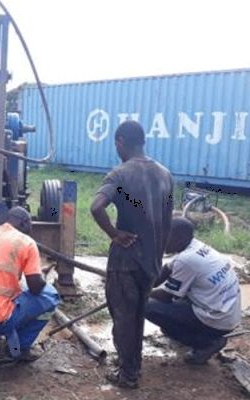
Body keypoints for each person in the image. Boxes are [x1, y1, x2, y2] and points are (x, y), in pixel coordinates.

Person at [90, 120, 174, 389]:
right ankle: (132, 368)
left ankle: (128, 375)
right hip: (150, 261)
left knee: (124, 319)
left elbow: (95, 207)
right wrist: (157, 258)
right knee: (138, 316)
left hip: (125, 261)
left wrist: (114, 234)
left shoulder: (119, 174)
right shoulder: (165, 174)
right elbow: (168, 222)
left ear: (120, 142)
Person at [0, 206, 60, 361]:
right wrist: (42, 276)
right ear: (24, 223)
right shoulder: (26, 242)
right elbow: (35, 287)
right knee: (50, 296)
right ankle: (19, 347)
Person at [146, 217, 241, 365]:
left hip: (216, 320)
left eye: (165, 237)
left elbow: (166, 296)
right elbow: (167, 269)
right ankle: (192, 335)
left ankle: (207, 344)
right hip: (227, 314)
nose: (161, 240)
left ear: (179, 237)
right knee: (175, 300)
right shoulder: (195, 247)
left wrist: (138, 292)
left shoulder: (187, 260)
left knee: (147, 306)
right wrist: (144, 282)